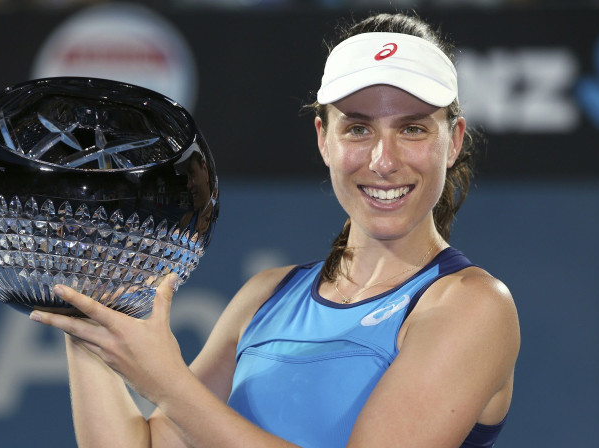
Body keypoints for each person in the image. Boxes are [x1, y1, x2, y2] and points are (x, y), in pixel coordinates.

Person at [29, 11, 520, 448]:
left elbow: (179, 401)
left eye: (412, 128)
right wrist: (82, 300)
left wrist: (168, 384)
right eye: (358, 128)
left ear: (453, 141)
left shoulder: (474, 306)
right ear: (324, 139)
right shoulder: (264, 295)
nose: (383, 160)